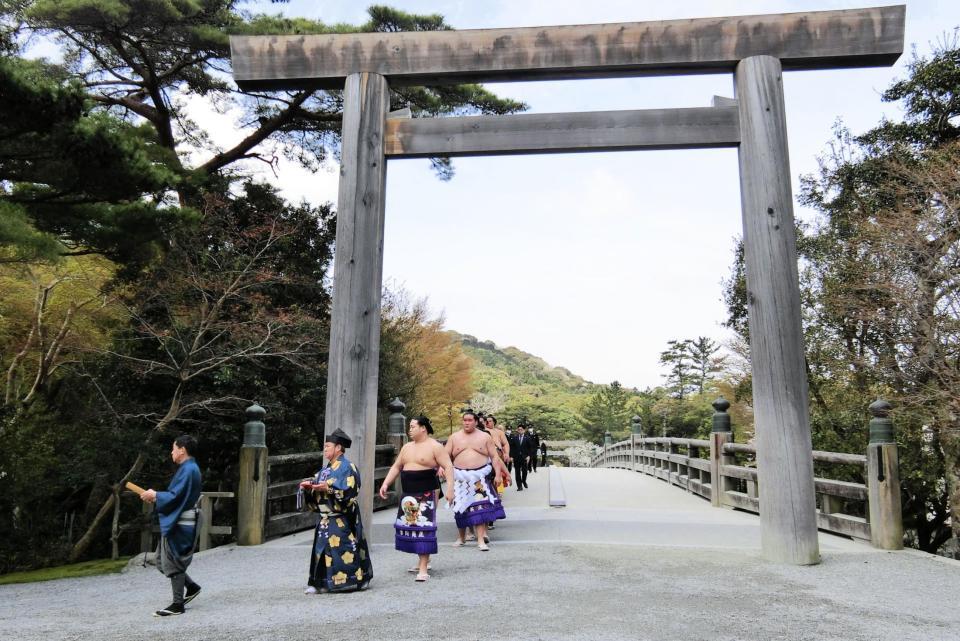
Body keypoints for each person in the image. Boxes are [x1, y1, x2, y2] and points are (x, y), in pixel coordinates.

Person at [378, 416, 455, 581]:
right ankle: (423, 559)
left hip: (427, 491)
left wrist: (450, 489)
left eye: (413, 426)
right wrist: (385, 483)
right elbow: (397, 466)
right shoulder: (406, 447)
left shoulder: (435, 446)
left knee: (423, 526)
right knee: (412, 526)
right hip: (408, 493)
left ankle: (423, 567)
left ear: (423, 428)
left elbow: (448, 466)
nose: (410, 429)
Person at [299, 428, 373, 594]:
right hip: (325, 517)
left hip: (342, 517)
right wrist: (308, 486)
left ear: (338, 448)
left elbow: (350, 491)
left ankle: (356, 580)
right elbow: (318, 482)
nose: (325, 449)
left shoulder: (348, 467)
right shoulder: (326, 469)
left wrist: (330, 488)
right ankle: (320, 582)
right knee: (321, 550)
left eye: (327, 446)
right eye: (324, 446)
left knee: (345, 549)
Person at [139, 435, 203, 617]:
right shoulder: (188, 469)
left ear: (182, 450)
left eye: (174, 448)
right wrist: (157, 495)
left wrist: (156, 495)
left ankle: (177, 604)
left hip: (181, 521)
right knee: (161, 559)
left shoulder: (189, 469)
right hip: (178, 519)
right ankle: (191, 586)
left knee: (173, 560)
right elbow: (177, 495)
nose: (172, 452)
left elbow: (175, 496)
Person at [445, 411, 510, 550]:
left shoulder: (485, 437)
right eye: (464, 420)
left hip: (479, 478)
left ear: (475, 422)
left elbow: (494, 457)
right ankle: (461, 538)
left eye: (469, 420)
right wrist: (441, 468)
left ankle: (481, 540)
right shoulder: (454, 437)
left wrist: (498, 474)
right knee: (460, 508)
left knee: (480, 508)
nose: (466, 423)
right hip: (460, 478)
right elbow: (445, 457)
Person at [512, 424, 533, 490]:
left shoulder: (528, 438)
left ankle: (524, 481)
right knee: (517, 472)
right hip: (516, 457)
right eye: (519, 429)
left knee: (524, 471)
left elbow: (530, 448)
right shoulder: (514, 438)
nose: (520, 431)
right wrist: (511, 456)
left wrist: (529, 456)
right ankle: (519, 486)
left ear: (524, 430)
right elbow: (512, 448)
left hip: (524, 457)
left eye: (521, 429)